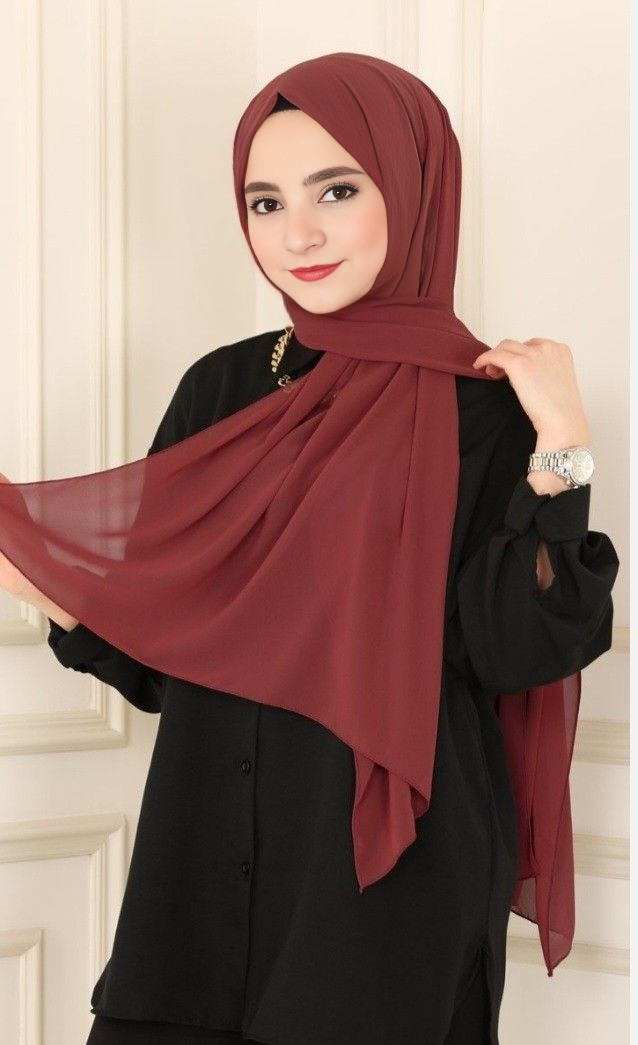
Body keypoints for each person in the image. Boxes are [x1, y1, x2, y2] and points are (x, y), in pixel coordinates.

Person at [0, 59, 619, 1045]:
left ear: (412, 187)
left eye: (336, 190)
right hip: (196, 883)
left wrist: (562, 443)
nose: (297, 235)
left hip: (382, 903)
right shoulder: (223, 390)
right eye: (266, 202)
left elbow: (516, 646)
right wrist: (30, 564)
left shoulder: (490, 407)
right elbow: (165, 655)